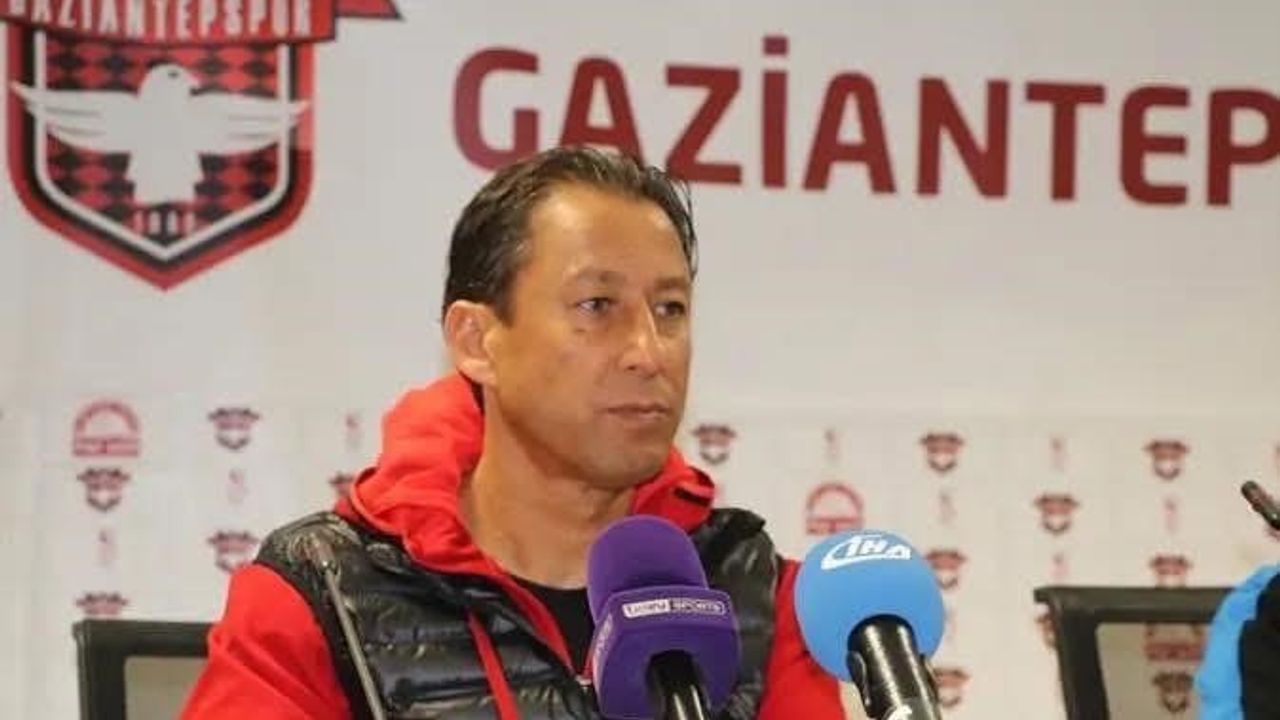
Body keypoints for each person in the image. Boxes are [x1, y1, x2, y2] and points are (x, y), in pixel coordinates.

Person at [181, 146, 847, 719]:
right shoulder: (321, 593)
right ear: (477, 341)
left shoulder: (754, 593)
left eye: (669, 309)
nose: (649, 351)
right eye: (597, 306)